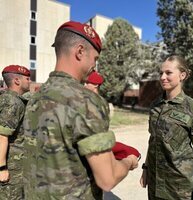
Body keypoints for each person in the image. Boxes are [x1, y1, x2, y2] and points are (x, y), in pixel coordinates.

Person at [23, 20, 138, 200]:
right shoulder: (86, 101)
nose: (94, 65)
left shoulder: (34, 98)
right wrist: (128, 161)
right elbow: (107, 180)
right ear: (80, 51)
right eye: (95, 59)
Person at [140, 55, 193, 200]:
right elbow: (153, 140)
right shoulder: (155, 105)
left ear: (182, 75)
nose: (162, 77)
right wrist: (146, 168)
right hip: (155, 183)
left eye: (168, 73)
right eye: (161, 73)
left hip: (179, 187)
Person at [0, 65, 31, 200]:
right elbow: (2, 136)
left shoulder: (6, 98)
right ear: (17, 81)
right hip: (11, 167)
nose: (29, 81)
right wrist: (2, 168)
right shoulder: (13, 102)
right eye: (27, 78)